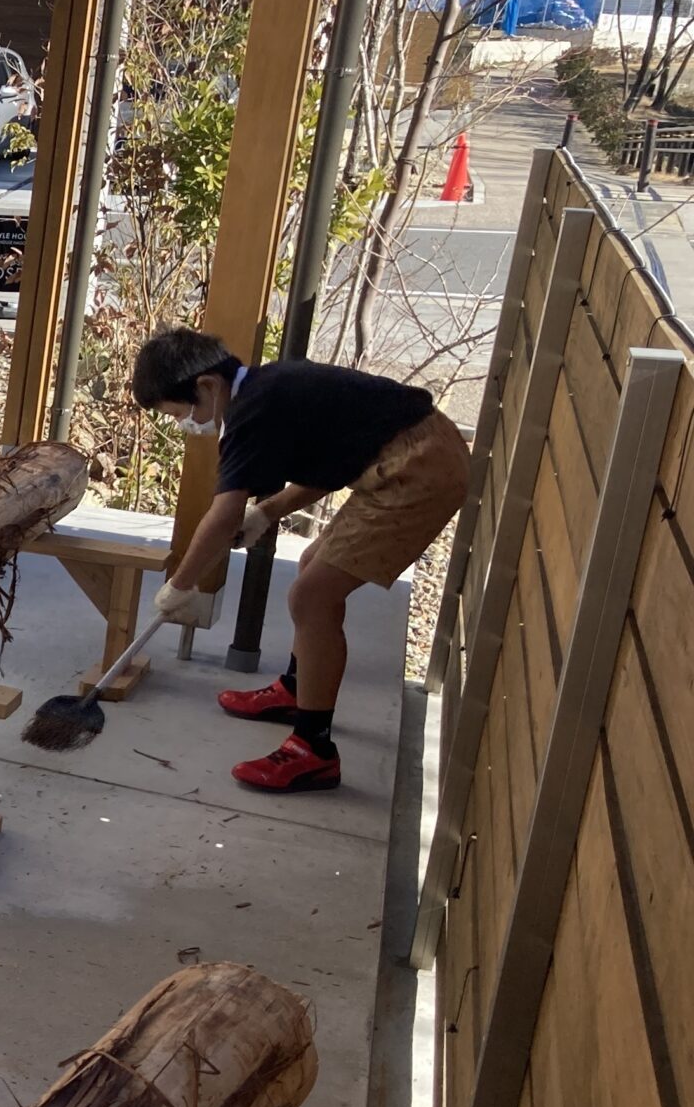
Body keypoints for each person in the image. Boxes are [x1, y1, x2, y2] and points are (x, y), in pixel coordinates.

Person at [134, 327, 468, 793]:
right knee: (313, 563)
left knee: (312, 598)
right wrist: (268, 512)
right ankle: (297, 690)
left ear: (208, 386)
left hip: (419, 470)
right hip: (411, 454)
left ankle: (314, 749)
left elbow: (222, 511)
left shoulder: (251, 410)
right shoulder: (271, 387)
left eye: (180, 412)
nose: (185, 425)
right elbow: (333, 461)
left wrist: (181, 585)